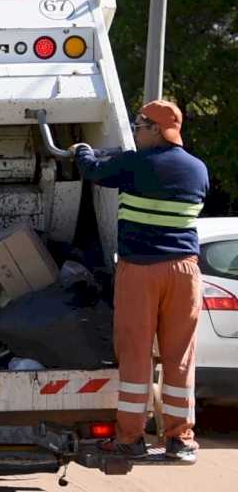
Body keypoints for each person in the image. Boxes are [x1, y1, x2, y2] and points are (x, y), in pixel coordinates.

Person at [69, 100, 208, 463]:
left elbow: (91, 170)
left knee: (135, 354)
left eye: (139, 125)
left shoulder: (134, 164)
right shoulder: (198, 170)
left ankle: (131, 438)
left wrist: (82, 148)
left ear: (154, 130)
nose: (134, 131)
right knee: (180, 358)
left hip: (141, 271)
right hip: (185, 272)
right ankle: (181, 439)